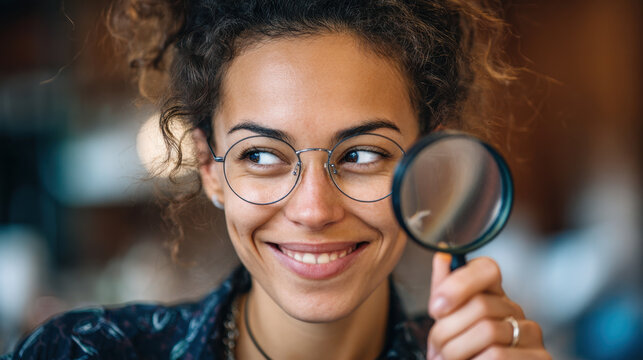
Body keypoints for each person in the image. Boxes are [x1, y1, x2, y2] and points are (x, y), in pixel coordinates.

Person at [3, 1, 551, 359]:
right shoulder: (76, 351)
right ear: (209, 168)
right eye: (262, 156)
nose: (313, 210)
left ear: (432, 168)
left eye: (361, 153)